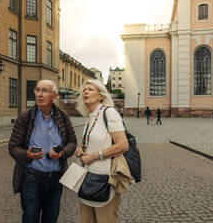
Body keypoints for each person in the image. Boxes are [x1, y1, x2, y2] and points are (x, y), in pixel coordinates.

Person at [8, 80, 77, 223]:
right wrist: (27, 154)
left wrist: (62, 153)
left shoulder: (63, 116)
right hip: (31, 179)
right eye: (38, 90)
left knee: (51, 219)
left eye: (45, 90)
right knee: (30, 218)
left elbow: (72, 142)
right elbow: (13, 147)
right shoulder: (25, 117)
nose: (39, 94)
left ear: (54, 96)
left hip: (55, 179)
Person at [75, 79, 129, 223]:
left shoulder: (109, 113)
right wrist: (81, 150)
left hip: (105, 179)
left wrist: (93, 156)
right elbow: (89, 143)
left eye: (90, 89)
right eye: (84, 90)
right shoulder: (90, 118)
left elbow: (123, 145)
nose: (86, 92)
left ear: (101, 96)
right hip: (86, 179)